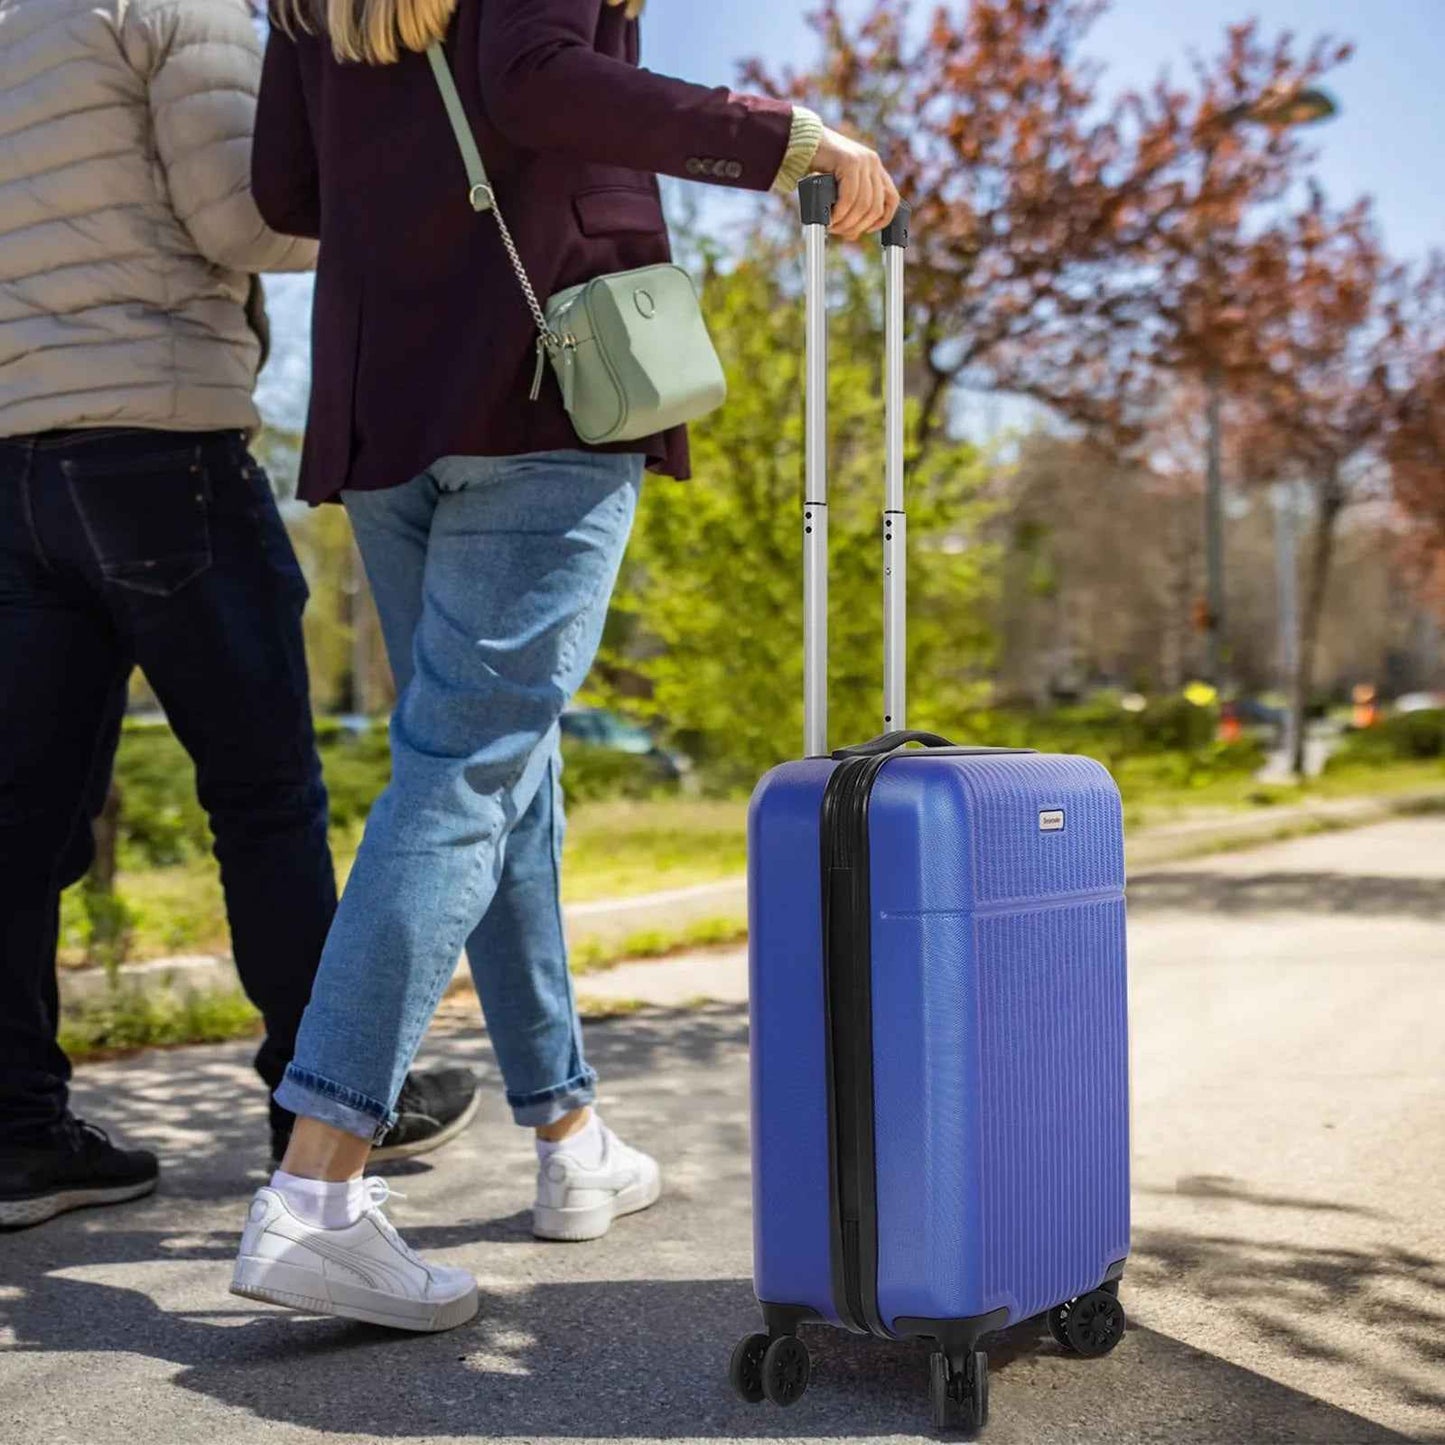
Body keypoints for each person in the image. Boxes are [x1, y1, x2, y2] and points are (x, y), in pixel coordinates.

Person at [231, 0, 898, 1332]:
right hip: (545, 380)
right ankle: (316, 1192)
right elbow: (537, 79)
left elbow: (285, 187)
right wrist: (787, 139)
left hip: (383, 405)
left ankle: (569, 1136)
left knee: (500, 774)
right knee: (464, 774)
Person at [0, 0, 481, 1233]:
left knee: (18, 816)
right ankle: (314, 1104)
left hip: (12, 463)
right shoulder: (176, 7)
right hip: (162, 446)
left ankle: (18, 1134)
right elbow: (243, 215)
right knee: (265, 794)